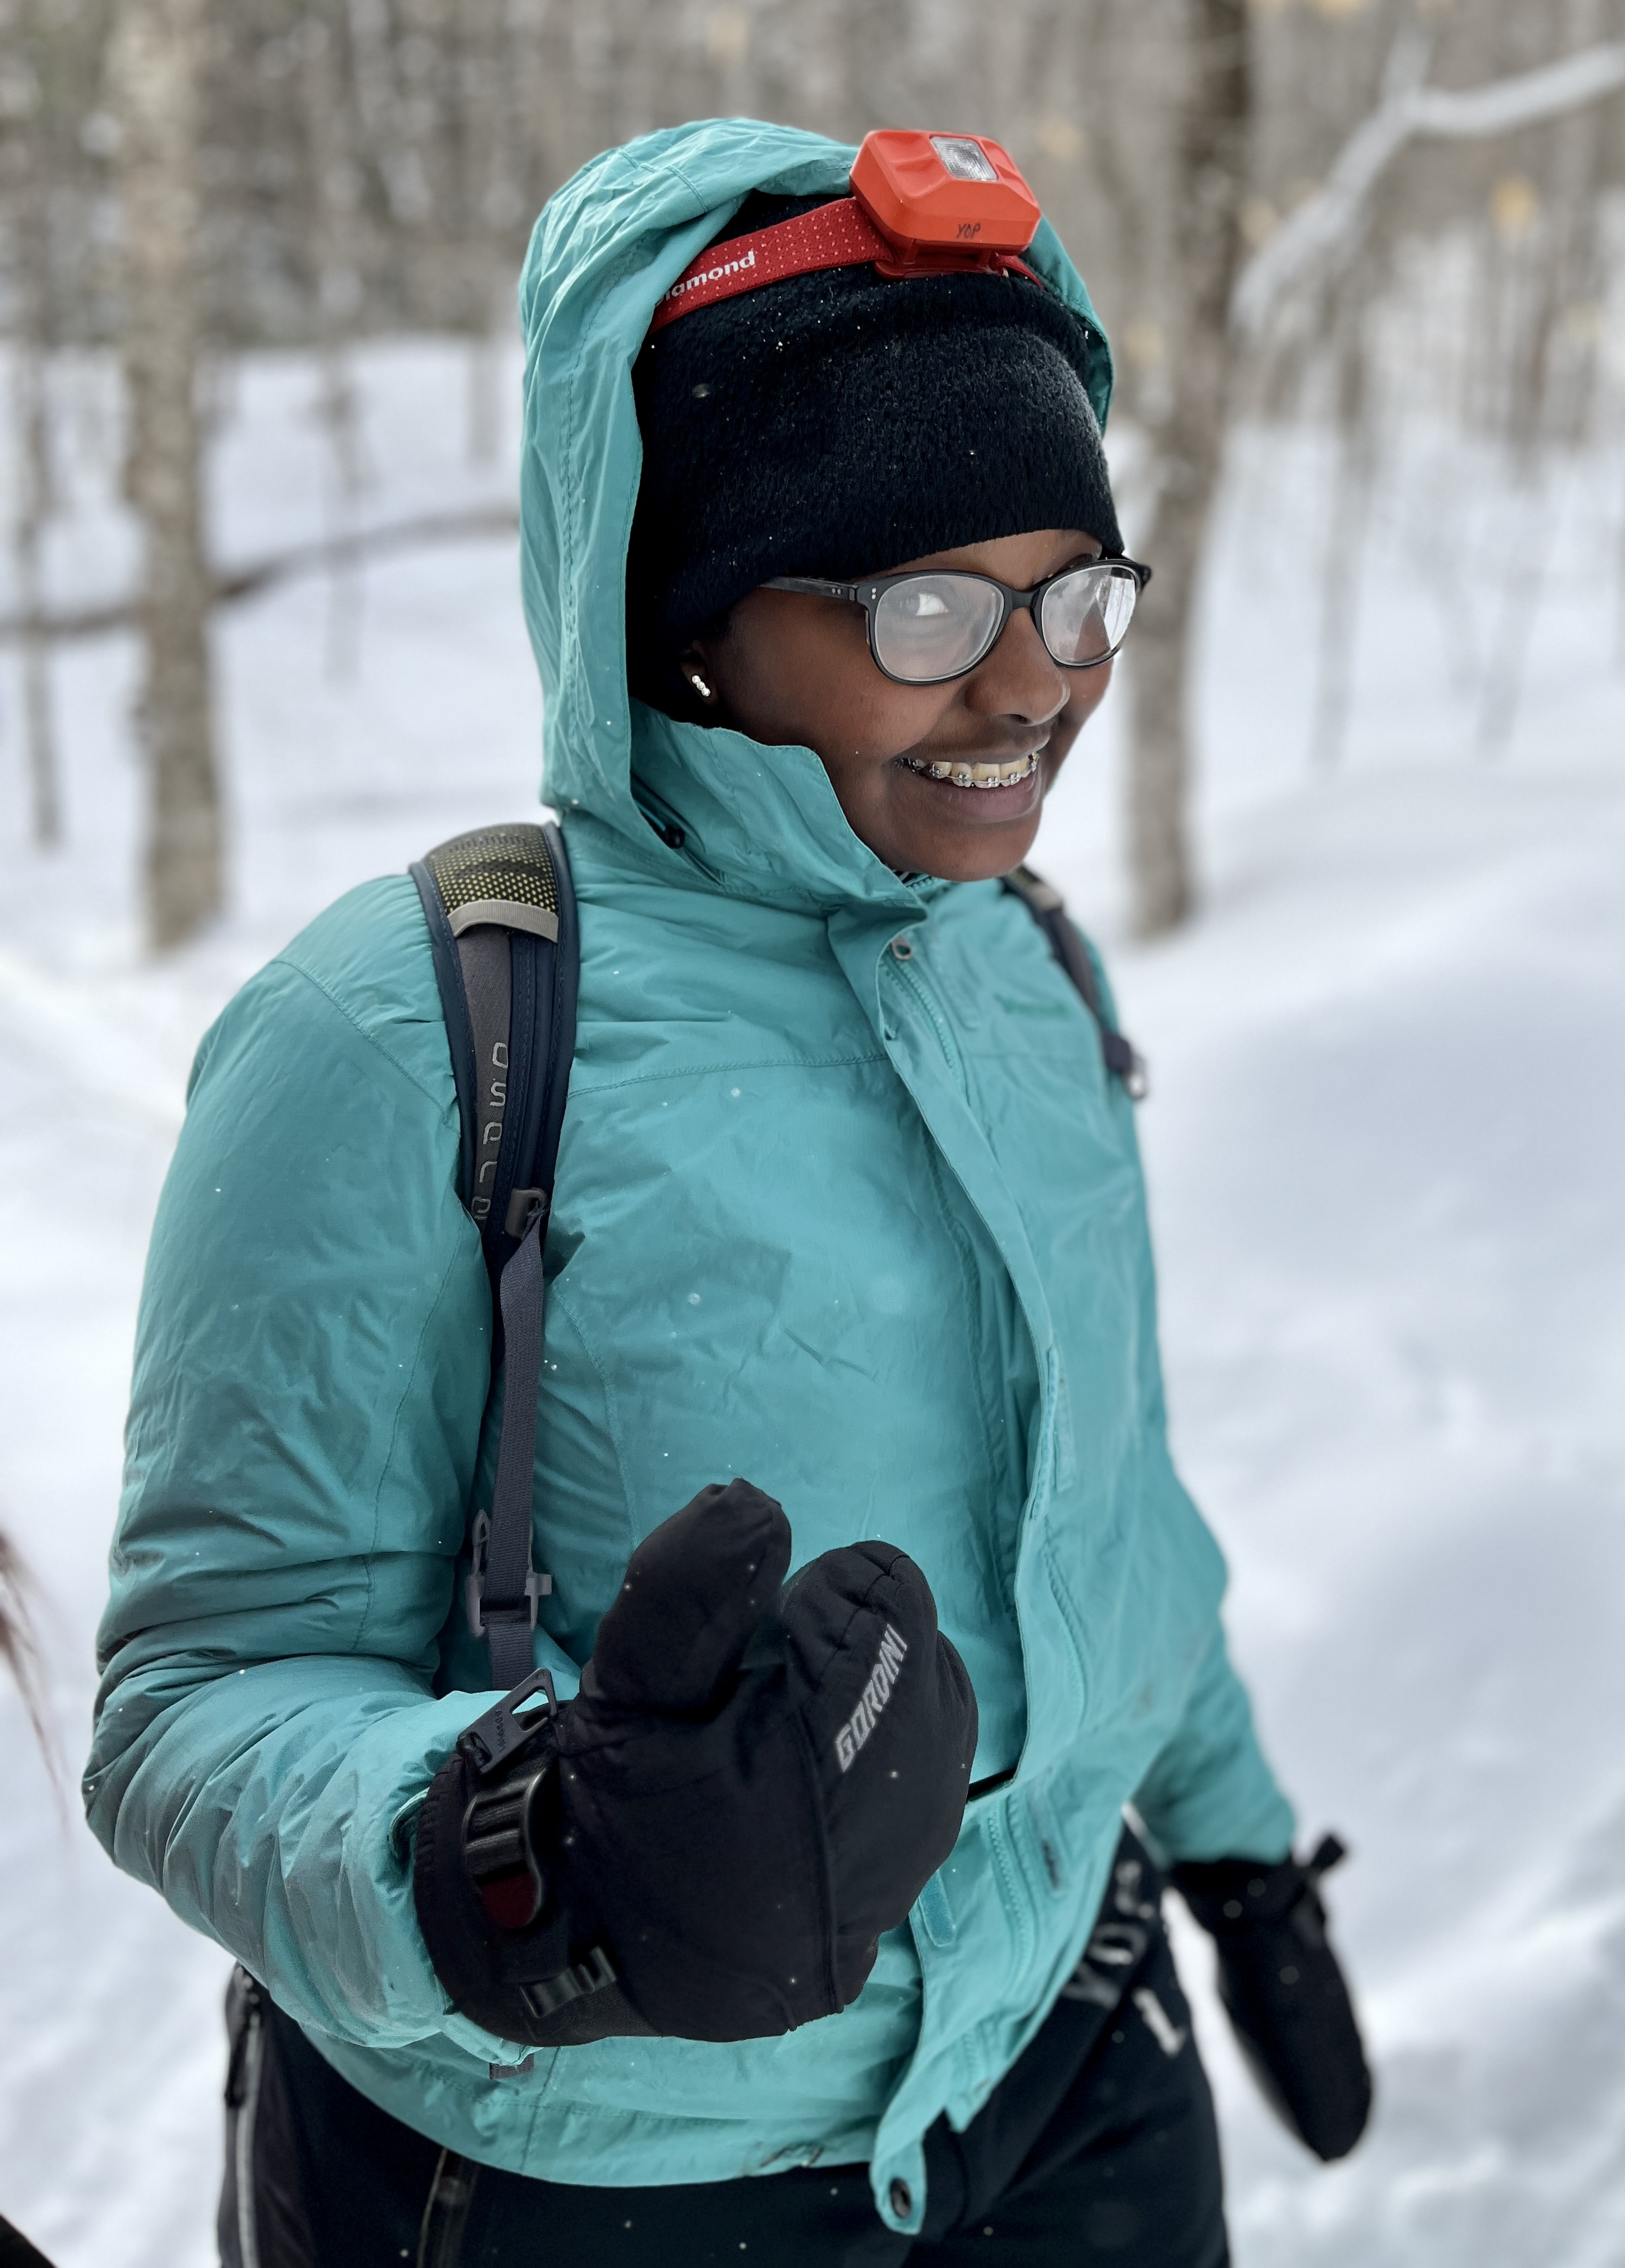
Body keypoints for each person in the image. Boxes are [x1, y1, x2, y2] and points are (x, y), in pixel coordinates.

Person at [85, 119, 1369, 2267]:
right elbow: (191, 1701)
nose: (1032, 680)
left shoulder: (1029, 969)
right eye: (928, 605)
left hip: (1067, 2050)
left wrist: (1233, 1849)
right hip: (601, 2172)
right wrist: (527, 1869)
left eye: (1080, 591)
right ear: (686, 617)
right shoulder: (413, 1029)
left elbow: (1112, 1512)